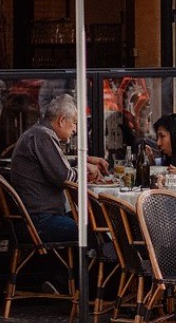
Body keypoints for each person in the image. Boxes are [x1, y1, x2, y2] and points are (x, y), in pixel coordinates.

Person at [9, 93, 108, 243]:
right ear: (62, 120)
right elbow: (64, 177)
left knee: (96, 222)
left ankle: (99, 262)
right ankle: (104, 265)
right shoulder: (43, 136)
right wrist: (85, 168)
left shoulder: (38, 132)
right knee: (97, 230)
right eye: (74, 123)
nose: (75, 129)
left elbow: (56, 163)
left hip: (34, 217)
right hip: (40, 221)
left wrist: (84, 160)